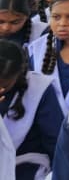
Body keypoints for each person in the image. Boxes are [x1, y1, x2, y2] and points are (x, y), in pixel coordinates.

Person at [0, 40, 62, 180]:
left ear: (18, 74)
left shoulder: (38, 88)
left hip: (24, 169)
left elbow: (56, 143)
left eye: (4, 86)